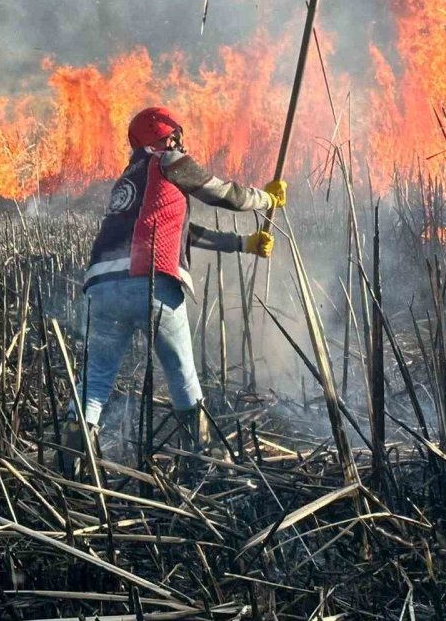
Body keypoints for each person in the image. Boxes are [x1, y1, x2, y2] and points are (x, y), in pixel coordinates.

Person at [62, 106, 286, 472]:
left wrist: (242, 244)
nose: (178, 143)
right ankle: (205, 461)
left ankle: (70, 464)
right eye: (174, 137)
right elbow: (221, 193)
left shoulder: (130, 181)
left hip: (102, 287)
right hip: (150, 282)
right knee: (182, 374)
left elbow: (181, 233)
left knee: (96, 377)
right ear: (167, 137)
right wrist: (265, 199)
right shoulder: (167, 161)